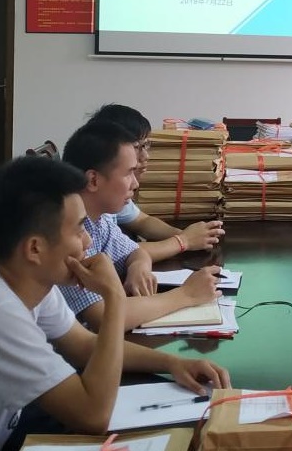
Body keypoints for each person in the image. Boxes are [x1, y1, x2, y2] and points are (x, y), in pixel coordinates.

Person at [0, 156, 229, 451]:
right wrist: (114, 297)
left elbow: (83, 345)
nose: (87, 241)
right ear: (35, 248)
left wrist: (173, 364)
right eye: (79, 229)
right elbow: (93, 414)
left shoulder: (11, 270)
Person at [60, 119, 223, 330]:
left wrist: (138, 266)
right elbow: (101, 316)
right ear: (93, 180)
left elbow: (135, 251)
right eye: (128, 173)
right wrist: (186, 295)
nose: (135, 184)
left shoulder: (101, 219)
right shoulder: (67, 233)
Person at [89, 104, 225, 261]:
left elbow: (142, 221)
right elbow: (122, 253)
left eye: (146, 145)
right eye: (137, 147)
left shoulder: (111, 192)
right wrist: (184, 241)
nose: (145, 155)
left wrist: (189, 236)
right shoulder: (93, 198)